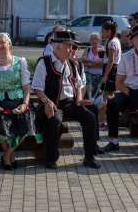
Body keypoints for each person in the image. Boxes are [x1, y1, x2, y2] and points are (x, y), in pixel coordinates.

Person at [32, 30, 100, 169]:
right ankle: (50, 158)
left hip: (70, 103)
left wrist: (80, 99)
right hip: (53, 103)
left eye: (73, 47)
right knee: (54, 120)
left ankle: (89, 156)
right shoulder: (44, 63)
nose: (72, 50)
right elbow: (37, 87)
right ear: (57, 48)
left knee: (91, 117)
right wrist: (46, 101)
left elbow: (79, 84)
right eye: (69, 47)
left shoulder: (72, 63)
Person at [0, 33, 42, 170]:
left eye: (2, 42)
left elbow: (26, 87)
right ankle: (9, 157)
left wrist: (25, 103)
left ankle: (7, 155)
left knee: (28, 121)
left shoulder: (19, 62)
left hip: (18, 102)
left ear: (9, 44)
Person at [98, 21, 121, 130]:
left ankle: (100, 122)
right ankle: (110, 121)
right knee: (110, 96)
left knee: (104, 97)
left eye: (103, 31)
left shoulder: (111, 42)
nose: (102, 33)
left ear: (109, 31)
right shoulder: (117, 41)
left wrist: (105, 76)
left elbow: (111, 61)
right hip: (115, 69)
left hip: (110, 70)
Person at [81, 32, 104, 100]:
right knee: (87, 77)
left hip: (100, 75)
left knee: (96, 90)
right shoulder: (88, 49)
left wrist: (88, 65)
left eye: (96, 39)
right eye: (92, 39)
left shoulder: (102, 50)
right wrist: (93, 61)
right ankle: (89, 97)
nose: (94, 41)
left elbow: (102, 63)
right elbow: (82, 60)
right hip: (90, 74)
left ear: (100, 40)